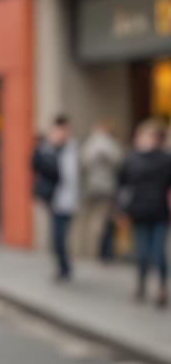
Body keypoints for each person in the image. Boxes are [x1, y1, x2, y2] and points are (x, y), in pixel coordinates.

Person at [116, 121, 171, 307]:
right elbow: (122, 186)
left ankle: (162, 288)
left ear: (155, 139)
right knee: (141, 253)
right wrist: (122, 210)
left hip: (160, 213)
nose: (141, 140)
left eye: (146, 136)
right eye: (140, 136)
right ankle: (141, 284)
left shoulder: (165, 160)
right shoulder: (131, 160)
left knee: (158, 253)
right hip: (139, 213)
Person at [31, 115, 80, 282]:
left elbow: (67, 176)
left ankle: (65, 267)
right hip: (54, 199)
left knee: (59, 237)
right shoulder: (48, 150)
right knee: (57, 238)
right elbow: (36, 166)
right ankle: (63, 267)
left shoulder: (71, 150)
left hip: (68, 200)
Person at [80, 119, 123, 262]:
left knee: (89, 219)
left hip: (91, 187)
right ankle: (102, 252)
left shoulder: (89, 144)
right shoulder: (111, 145)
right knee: (103, 221)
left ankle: (88, 250)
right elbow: (119, 163)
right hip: (107, 188)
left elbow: (83, 164)